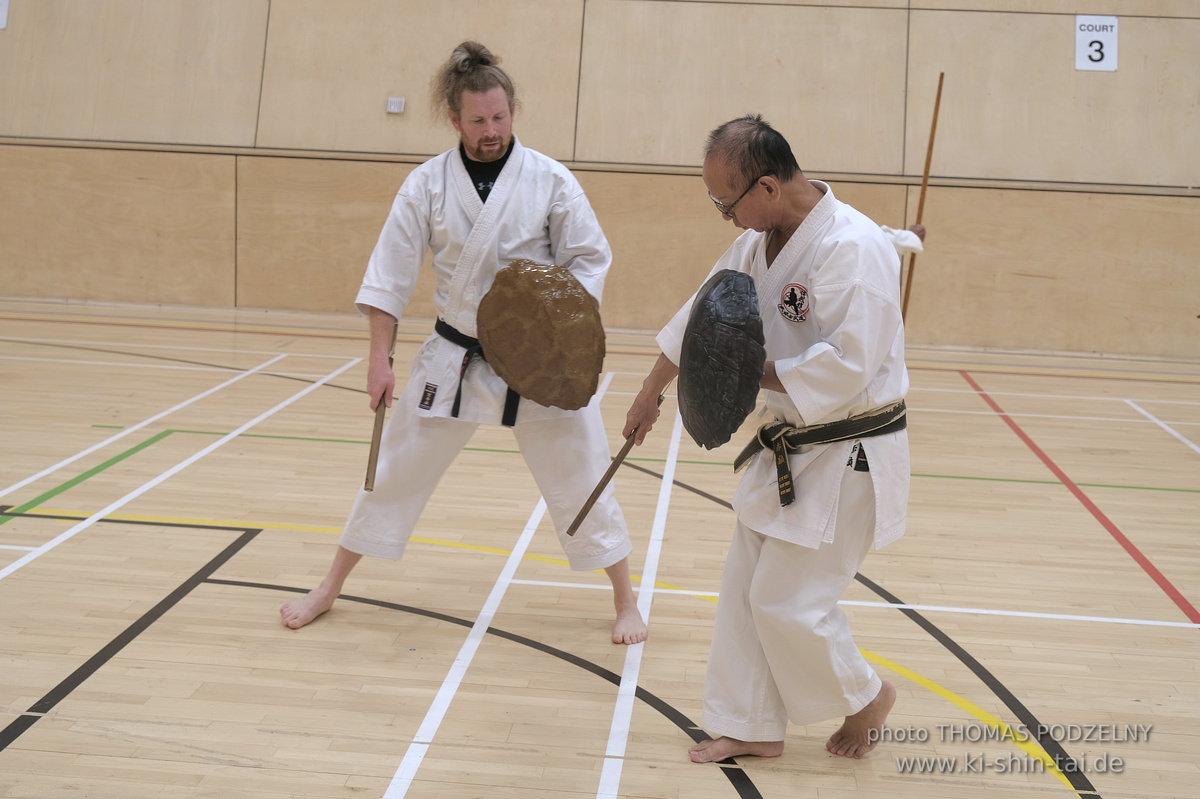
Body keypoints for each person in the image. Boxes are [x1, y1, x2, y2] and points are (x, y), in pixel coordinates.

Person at [281, 41, 647, 645]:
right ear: (455, 119)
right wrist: (379, 359)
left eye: (500, 117)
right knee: (393, 468)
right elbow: (389, 275)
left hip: (538, 361)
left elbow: (589, 260)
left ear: (512, 111)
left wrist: (557, 331)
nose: (491, 131)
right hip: (454, 355)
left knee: (581, 471)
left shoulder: (550, 179)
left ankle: (625, 599)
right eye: (477, 121)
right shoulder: (425, 185)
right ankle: (329, 587)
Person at [624, 115, 910, 761]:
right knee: (745, 588)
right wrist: (651, 390)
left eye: (728, 202)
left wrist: (740, 368)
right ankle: (750, 723)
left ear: (770, 185)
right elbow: (700, 315)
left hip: (847, 452)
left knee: (786, 602)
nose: (725, 216)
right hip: (787, 441)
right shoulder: (758, 242)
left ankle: (866, 695)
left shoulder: (853, 248)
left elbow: (849, 364)